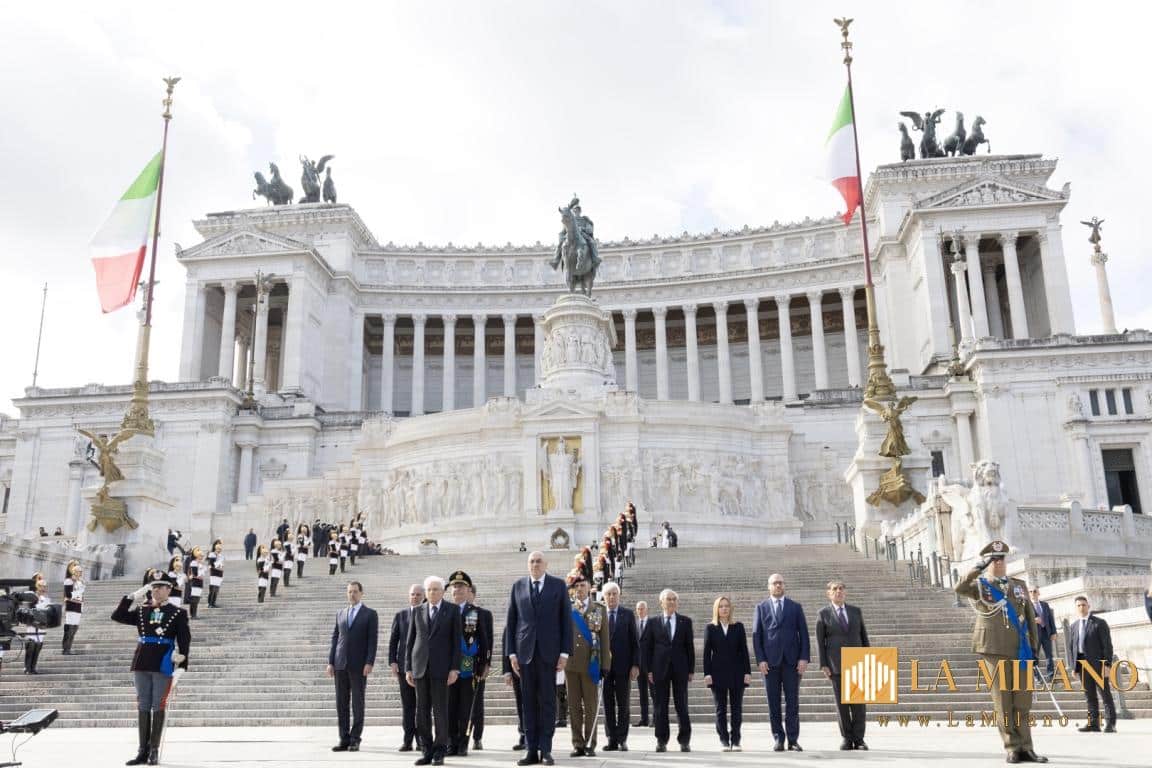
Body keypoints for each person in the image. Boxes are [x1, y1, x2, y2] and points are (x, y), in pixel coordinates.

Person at [955, 540, 1046, 764]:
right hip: (994, 649)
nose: (998, 563)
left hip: (1021, 650)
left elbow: (1030, 620)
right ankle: (1012, 746)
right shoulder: (980, 585)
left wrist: (1034, 650)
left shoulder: (1019, 586)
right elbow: (960, 588)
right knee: (1003, 701)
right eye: (993, 560)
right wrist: (978, 568)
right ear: (988, 562)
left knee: (1023, 701)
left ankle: (1027, 747)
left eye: (1001, 559)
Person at [111, 578, 191, 766]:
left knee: (158, 704)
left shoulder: (178, 613)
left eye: (160, 587)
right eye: (153, 587)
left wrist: (182, 667)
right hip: (142, 661)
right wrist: (133, 596)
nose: (155, 590)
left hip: (163, 662)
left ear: (168, 589)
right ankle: (142, 751)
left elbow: (184, 641)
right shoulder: (142, 610)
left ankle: (153, 750)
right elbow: (117, 615)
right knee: (143, 704)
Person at [506, 551, 573, 767]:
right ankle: (530, 749)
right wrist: (511, 654)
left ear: (546, 564)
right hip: (524, 654)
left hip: (549, 654)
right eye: (532, 561)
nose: (535, 564)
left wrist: (564, 653)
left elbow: (565, 620)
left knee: (547, 702)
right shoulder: (518, 586)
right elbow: (512, 621)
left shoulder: (558, 586)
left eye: (538, 561)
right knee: (527, 703)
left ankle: (546, 749)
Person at [406, 575, 462, 766]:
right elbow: (410, 641)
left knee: (440, 712)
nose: (432, 592)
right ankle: (426, 750)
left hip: (442, 669)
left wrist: (455, 668)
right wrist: (408, 667)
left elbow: (456, 642)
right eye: (429, 589)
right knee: (422, 712)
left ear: (443, 591)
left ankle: (440, 750)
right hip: (420, 667)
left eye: (436, 589)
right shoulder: (418, 610)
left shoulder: (452, 610)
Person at [752, 572, 810, 752]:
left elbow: (804, 634)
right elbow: (756, 636)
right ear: (769, 586)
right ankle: (778, 738)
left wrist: (804, 658)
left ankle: (793, 740)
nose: (778, 585)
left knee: (793, 702)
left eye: (781, 583)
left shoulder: (795, 607)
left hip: (792, 662)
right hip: (770, 663)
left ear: (784, 585)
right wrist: (760, 659)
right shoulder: (761, 607)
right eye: (775, 583)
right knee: (773, 702)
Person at [815, 580, 869, 750]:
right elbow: (820, 642)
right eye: (835, 589)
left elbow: (864, 636)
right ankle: (847, 738)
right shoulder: (823, 613)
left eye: (841, 589)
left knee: (859, 705)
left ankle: (859, 739)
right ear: (829, 593)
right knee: (842, 704)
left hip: (857, 662)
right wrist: (823, 664)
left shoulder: (855, 611)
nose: (838, 591)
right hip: (836, 665)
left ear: (845, 592)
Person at [326, 580, 379, 753]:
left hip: (359, 665)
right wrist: (331, 662)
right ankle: (344, 738)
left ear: (361, 593)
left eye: (355, 591)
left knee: (357, 703)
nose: (352, 594)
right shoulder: (340, 613)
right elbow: (335, 638)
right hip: (340, 664)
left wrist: (369, 662)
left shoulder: (370, 614)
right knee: (341, 703)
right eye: (349, 591)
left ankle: (355, 739)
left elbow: (372, 640)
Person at [564, 569, 611, 758]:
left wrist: (605, 665)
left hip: (592, 664)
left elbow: (605, 639)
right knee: (574, 706)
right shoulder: (568, 610)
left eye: (583, 585)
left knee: (591, 706)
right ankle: (577, 743)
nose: (580, 589)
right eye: (576, 586)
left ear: (590, 587)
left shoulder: (599, 609)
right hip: (571, 665)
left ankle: (591, 742)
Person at [446, 571, 491, 757]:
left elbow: (484, 640)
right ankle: (450, 742)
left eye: (461, 587)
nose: (457, 590)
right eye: (454, 587)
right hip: (447, 666)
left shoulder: (476, 613)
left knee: (466, 706)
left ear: (468, 590)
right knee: (449, 706)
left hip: (467, 665)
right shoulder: (445, 610)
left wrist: (485, 663)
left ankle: (463, 743)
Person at [644, 588, 694, 753]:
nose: (672, 602)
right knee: (660, 706)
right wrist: (649, 670)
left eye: (674, 599)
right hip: (659, 670)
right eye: (668, 599)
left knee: (682, 706)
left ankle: (684, 740)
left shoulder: (685, 622)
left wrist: (691, 669)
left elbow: (689, 647)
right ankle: (661, 740)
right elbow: (647, 648)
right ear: (661, 602)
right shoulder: (653, 622)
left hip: (680, 669)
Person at [703, 595, 751, 751]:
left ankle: (736, 740)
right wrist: (707, 673)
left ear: (730, 609)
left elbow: (744, 650)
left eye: (727, 606)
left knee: (737, 709)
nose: (724, 609)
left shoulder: (738, 627)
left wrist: (747, 672)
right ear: (716, 609)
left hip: (737, 672)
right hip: (717, 674)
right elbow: (706, 653)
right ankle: (724, 740)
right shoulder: (710, 628)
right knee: (720, 709)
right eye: (721, 606)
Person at [1067, 595, 1116, 733]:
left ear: (1088, 606)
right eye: (1078, 605)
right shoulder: (1074, 626)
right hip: (1082, 665)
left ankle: (1110, 723)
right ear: (1075, 608)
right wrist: (1074, 667)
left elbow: (1107, 645)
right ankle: (1093, 723)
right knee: (1089, 695)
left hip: (1098, 665)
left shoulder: (1099, 623)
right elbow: (1072, 648)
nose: (1081, 607)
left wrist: (1107, 664)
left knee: (1105, 694)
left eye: (1083, 605)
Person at [601, 582, 638, 752]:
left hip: (624, 667)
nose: (611, 597)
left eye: (614, 593)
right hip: (604, 667)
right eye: (608, 594)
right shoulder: (598, 614)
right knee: (607, 704)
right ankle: (611, 739)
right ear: (604, 596)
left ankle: (622, 739)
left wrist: (635, 665)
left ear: (619, 595)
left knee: (623, 703)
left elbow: (635, 642)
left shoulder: (628, 614)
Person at [389, 583, 425, 753]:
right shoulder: (401, 615)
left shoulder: (427, 614)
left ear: (424, 597)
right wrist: (392, 661)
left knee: (423, 706)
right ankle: (408, 740)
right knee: (408, 706)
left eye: (418, 594)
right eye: (412, 594)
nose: (415, 597)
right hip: (404, 667)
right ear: (408, 596)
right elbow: (393, 640)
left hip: (423, 667)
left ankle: (422, 740)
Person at [469, 582, 495, 751]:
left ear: (472, 594)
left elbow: (489, 641)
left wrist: (487, 663)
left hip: (477, 664)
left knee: (477, 702)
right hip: (459, 665)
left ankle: (477, 737)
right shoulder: (454, 612)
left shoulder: (484, 614)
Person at [503, 623, 527, 751]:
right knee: (520, 704)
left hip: (533, 669)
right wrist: (507, 671)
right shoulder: (510, 624)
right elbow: (506, 648)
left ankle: (534, 736)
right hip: (517, 670)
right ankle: (523, 735)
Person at [24, 572, 50, 674]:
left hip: (41, 625)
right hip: (32, 624)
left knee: (38, 645)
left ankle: (33, 667)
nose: (43, 588)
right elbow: (29, 610)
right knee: (31, 645)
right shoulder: (31, 596)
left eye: (45, 586)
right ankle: (27, 667)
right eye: (42, 586)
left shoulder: (45, 599)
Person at [1028, 587, 1057, 678]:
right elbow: (1023, 619)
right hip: (1034, 635)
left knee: (1049, 655)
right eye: (1030, 591)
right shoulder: (1027, 606)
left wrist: (1054, 632)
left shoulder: (1045, 604)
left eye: (1034, 591)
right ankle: (1037, 677)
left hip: (1046, 633)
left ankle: (1050, 675)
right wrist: (1033, 620)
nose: (1033, 593)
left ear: (1038, 593)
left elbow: (1050, 619)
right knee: (1034, 656)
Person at [634, 600, 652, 727]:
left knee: (654, 693)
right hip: (639, 665)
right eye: (638, 609)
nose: (640, 611)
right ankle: (644, 719)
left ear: (647, 610)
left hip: (651, 665)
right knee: (642, 693)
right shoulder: (634, 624)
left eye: (642, 608)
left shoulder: (653, 623)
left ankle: (656, 719)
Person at [62, 560, 85, 655]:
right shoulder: (68, 581)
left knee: (75, 628)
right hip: (71, 607)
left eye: (81, 571)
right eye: (79, 571)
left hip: (78, 607)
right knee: (69, 627)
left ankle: (69, 648)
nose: (80, 573)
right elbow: (68, 595)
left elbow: (81, 596)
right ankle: (65, 649)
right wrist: (77, 595)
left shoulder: (80, 582)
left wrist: (81, 603)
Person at [185, 547, 205, 619]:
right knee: (194, 599)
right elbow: (194, 573)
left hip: (199, 583)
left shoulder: (200, 563)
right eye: (200, 556)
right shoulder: (193, 563)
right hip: (195, 583)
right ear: (196, 556)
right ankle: (193, 615)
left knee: (197, 599)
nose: (201, 557)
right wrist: (199, 576)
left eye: (202, 556)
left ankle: (194, 614)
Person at [206, 539, 225, 608]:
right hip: (214, 573)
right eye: (218, 544)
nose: (220, 546)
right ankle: (210, 603)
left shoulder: (221, 555)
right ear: (215, 545)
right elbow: (210, 565)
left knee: (216, 589)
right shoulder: (212, 554)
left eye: (220, 544)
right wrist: (217, 568)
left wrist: (221, 567)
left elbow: (221, 564)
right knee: (212, 589)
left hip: (219, 573)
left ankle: (213, 603)